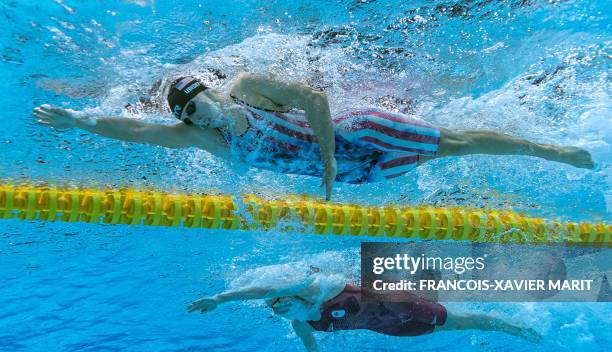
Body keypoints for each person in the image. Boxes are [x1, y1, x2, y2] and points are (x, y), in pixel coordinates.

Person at [33, 72, 594, 200]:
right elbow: (134, 130)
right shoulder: (204, 139)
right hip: (350, 169)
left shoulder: (247, 87)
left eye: (202, 107)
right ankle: (536, 152)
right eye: (191, 118)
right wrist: (80, 120)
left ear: (210, 91)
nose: (202, 121)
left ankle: (550, 149)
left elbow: (316, 100)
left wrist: (326, 159)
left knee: (453, 141)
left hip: (351, 130)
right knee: (441, 157)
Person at [186, 267, 541, 352]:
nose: (276, 310)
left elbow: (261, 288)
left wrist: (219, 299)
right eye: (273, 310)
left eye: (278, 304)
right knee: (447, 324)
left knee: (460, 321)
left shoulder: (316, 288)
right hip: (391, 328)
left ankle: (516, 326)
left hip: (397, 302)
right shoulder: (301, 324)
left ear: (290, 297)